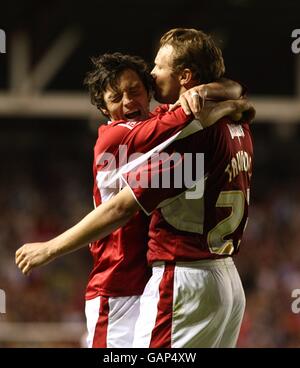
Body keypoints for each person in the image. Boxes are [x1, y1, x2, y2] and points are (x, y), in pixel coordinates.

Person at [16, 28, 254, 347]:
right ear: (103, 108)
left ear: (184, 76)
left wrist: (49, 248)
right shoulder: (227, 125)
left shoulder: (187, 136)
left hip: (182, 278)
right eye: (116, 97)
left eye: (155, 69)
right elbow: (215, 100)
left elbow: (122, 207)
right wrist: (223, 102)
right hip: (142, 283)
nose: (152, 75)